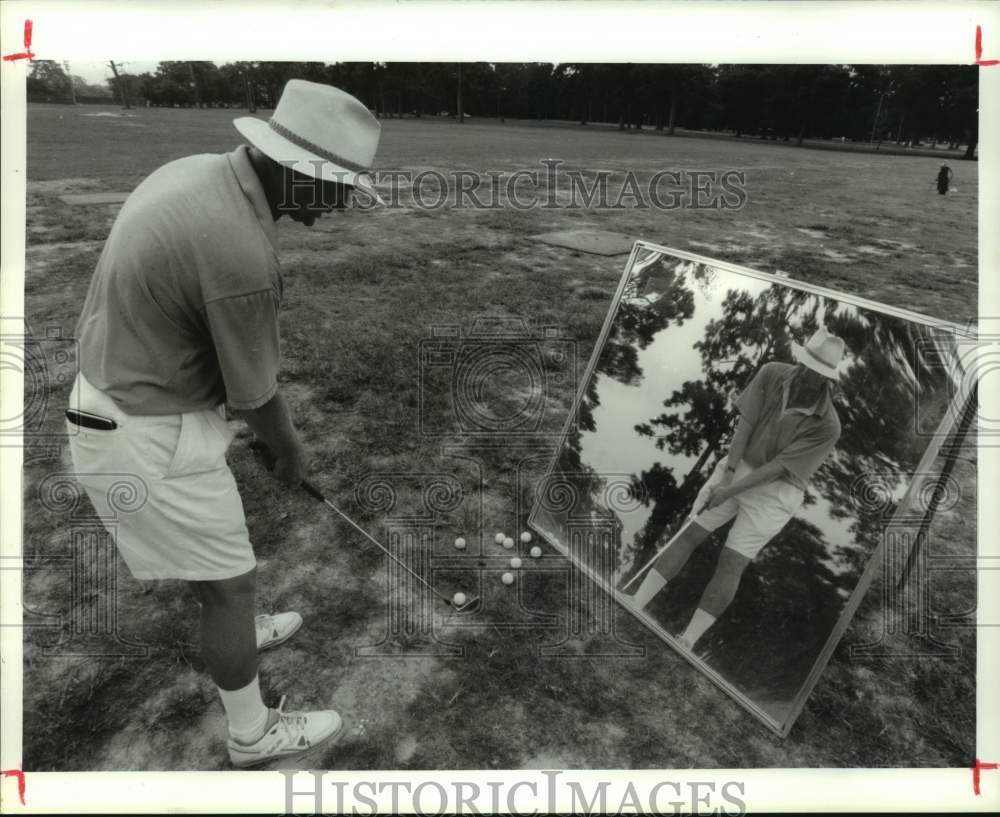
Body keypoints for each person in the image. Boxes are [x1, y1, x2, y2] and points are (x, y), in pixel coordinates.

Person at [65, 80, 382, 767]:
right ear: (299, 173)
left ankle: (233, 620)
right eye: (339, 186)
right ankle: (252, 733)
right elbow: (258, 397)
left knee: (219, 572)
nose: (346, 203)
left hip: (116, 399)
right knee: (232, 581)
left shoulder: (198, 171)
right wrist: (290, 455)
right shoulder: (242, 253)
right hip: (142, 430)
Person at [629, 328, 845, 651]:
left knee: (731, 561)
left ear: (827, 380)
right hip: (738, 463)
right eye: (804, 365)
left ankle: (687, 641)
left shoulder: (828, 425)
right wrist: (727, 476)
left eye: (815, 373)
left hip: (777, 492)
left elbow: (778, 468)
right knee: (691, 532)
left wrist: (730, 491)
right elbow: (745, 425)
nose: (805, 375)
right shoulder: (772, 373)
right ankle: (636, 604)